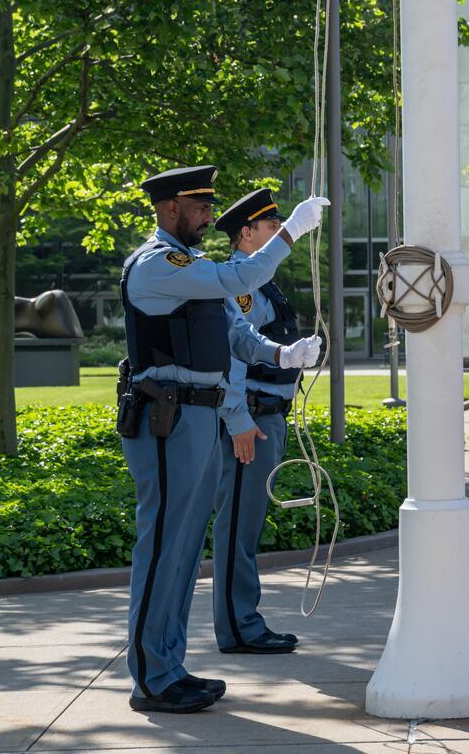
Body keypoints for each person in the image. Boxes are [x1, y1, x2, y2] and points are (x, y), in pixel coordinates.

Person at [118, 165, 328, 713]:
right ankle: (150, 678)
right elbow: (237, 282)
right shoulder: (157, 264)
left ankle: (169, 666)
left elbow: (234, 334)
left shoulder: (190, 266)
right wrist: (290, 234)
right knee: (164, 547)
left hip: (197, 418)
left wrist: (282, 355)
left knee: (184, 553)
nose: (209, 214)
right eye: (199, 205)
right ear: (169, 209)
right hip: (169, 418)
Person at [211, 188, 320, 656]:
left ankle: (243, 620)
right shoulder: (240, 283)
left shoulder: (260, 280)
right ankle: (239, 627)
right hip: (251, 419)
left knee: (246, 524)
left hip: (267, 415)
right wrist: (237, 418)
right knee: (238, 524)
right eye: (270, 226)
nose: (278, 232)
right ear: (246, 233)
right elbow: (232, 355)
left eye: (279, 225)